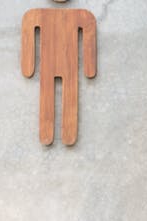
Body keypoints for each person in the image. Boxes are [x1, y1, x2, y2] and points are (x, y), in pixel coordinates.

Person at [21, 1, 97, 146]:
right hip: (54, 66)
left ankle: (66, 136)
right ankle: (49, 135)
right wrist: (27, 65)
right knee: (48, 99)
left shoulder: (83, 16)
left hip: (69, 67)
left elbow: (89, 31)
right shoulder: (35, 15)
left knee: (68, 98)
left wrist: (89, 67)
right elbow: (28, 28)